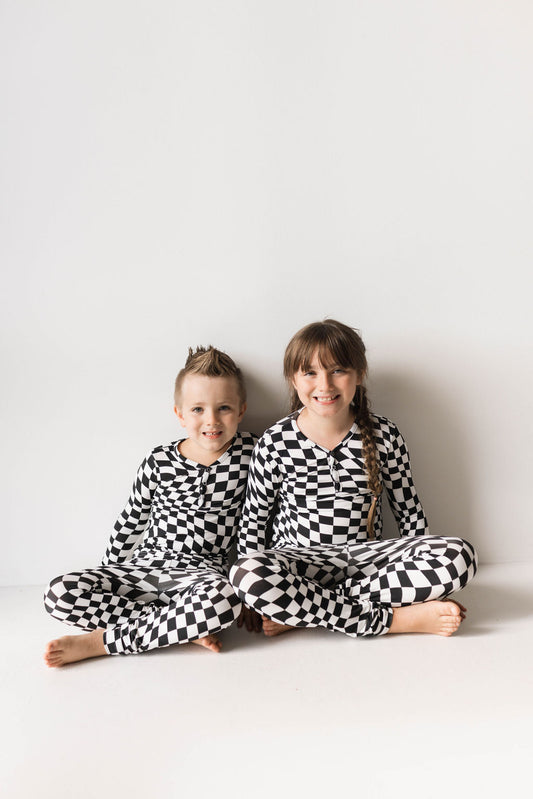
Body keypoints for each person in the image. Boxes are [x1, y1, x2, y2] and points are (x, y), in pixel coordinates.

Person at [231, 319, 478, 639]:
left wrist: (431, 586)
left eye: (338, 370)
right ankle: (396, 621)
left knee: (460, 557)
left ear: (359, 374)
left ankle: (303, 613)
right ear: (293, 379)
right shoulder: (275, 442)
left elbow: (409, 510)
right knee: (246, 575)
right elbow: (253, 520)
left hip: (368, 562)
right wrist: (252, 600)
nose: (325, 385)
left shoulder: (383, 435)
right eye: (310, 372)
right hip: (300, 563)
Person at [44, 346, 257, 666]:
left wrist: (250, 591)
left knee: (224, 602)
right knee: (58, 593)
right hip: (143, 569)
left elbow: (254, 523)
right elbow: (130, 521)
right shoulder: (158, 460)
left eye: (223, 408)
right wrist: (108, 572)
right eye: (198, 409)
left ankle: (103, 642)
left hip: (198, 578)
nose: (211, 420)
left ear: (241, 410)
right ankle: (180, 628)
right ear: (180, 414)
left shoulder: (252, 455)